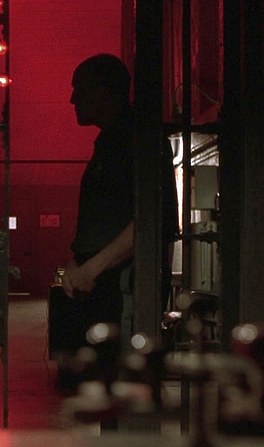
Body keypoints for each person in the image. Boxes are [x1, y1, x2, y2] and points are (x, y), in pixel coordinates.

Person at [57, 54, 177, 396]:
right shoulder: (116, 140)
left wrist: (91, 267)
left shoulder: (135, 140)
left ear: (104, 92)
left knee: (124, 384)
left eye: (79, 89)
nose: (72, 99)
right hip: (110, 283)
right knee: (112, 384)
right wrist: (79, 263)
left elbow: (152, 221)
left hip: (124, 286)